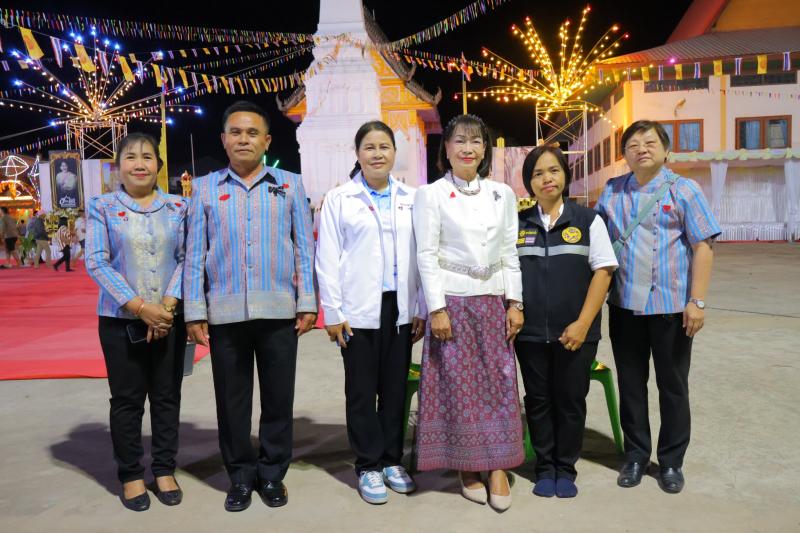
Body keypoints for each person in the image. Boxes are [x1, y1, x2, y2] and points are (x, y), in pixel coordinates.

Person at [183, 101, 317, 512]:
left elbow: (304, 248)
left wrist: (307, 302)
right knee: (232, 401)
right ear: (224, 139)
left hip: (279, 311)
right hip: (225, 314)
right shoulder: (205, 188)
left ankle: (272, 473)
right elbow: (194, 254)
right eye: (236, 132)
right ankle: (240, 476)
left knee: (278, 398)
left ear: (267, 141)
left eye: (253, 132)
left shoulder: (289, 185)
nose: (244, 139)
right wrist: (194, 310)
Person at [595, 120, 721, 494]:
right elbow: (597, 241)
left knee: (673, 386)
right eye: (633, 144)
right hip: (624, 307)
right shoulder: (612, 190)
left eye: (650, 142)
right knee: (631, 385)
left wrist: (697, 301)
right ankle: (636, 456)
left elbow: (703, 246)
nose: (641, 149)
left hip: (671, 308)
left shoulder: (685, 190)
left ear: (666, 150)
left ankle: (670, 462)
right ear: (624, 154)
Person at [413, 114, 524, 512]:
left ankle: (498, 465)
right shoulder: (431, 194)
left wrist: (515, 302)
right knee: (457, 388)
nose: (467, 148)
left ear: (485, 149)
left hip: (493, 302)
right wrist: (437, 309)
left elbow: (509, 251)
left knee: (498, 384)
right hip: (453, 303)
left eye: (476, 141)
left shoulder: (502, 194)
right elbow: (426, 255)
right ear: (445, 149)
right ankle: (467, 466)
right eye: (459, 140)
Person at [316, 120, 427, 505]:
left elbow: (423, 256)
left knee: (394, 389)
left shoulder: (412, 198)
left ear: (395, 153)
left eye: (384, 147)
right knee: (362, 391)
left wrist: (421, 306)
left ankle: (392, 460)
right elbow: (327, 257)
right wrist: (333, 311)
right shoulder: (340, 199)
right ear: (358, 153)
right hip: (357, 309)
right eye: (370, 147)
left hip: (400, 307)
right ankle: (367, 465)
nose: (377, 154)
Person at [85, 132, 188, 511]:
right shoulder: (102, 206)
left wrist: (168, 306)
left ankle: (164, 469)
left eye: (147, 156)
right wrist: (141, 307)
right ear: (118, 166)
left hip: (170, 318)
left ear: (158, 165)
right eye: (131, 157)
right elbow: (96, 260)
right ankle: (130, 474)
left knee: (167, 396)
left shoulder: (179, 207)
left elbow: (187, 258)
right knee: (127, 400)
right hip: (119, 320)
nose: (140, 164)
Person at [514, 146, 618, 499]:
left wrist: (583, 324)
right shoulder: (518, 225)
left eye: (554, 170)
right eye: (538, 173)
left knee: (571, 400)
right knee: (538, 400)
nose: (547, 178)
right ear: (529, 182)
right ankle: (545, 468)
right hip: (529, 334)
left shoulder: (588, 221)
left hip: (576, 333)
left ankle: (565, 468)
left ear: (565, 175)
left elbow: (603, 272)